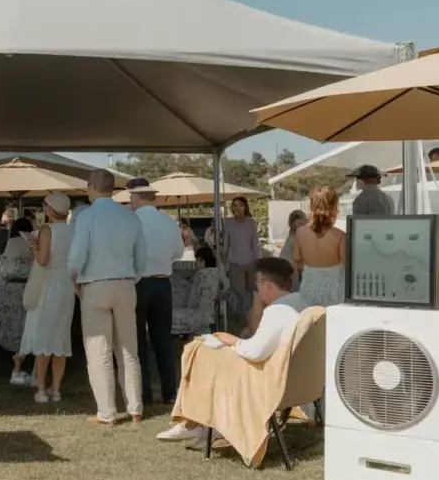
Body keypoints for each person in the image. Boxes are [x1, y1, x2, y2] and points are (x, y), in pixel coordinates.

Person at [157, 257, 309, 444]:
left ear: (266, 284)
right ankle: (194, 423)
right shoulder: (301, 303)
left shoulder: (278, 311)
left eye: (257, 286)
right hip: (296, 380)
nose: (257, 290)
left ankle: (191, 423)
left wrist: (233, 341)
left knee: (201, 352)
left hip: (271, 381)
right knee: (204, 352)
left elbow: (255, 352)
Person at [68, 169, 147, 425]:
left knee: (98, 350)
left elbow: (78, 254)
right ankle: (135, 407)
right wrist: (131, 278)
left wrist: (73, 275)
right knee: (128, 350)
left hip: (96, 284)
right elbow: (142, 259)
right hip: (125, 284)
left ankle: (107, 412)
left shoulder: (87, 217)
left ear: (91, 187)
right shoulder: (130, 216)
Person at [127, 177, 184, 405]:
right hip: (163, 283)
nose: (130, 200)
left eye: (131, 196)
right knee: (163, 339)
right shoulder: (169, 222)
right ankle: (170, 391)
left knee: (138, 339)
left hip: (138, 283)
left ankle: (143, 393)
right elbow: (179, 251)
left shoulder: (131, 221)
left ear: (138, 197)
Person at [19, 192, 76, 403]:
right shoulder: (73, 230)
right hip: (66, 284)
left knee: (44, 336)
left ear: (49, 210)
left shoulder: (47, 229)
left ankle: (41, 389)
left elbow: (43, 260)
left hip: (49, 285)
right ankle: (56, 389)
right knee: (61, 336)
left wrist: (34, 247)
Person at [0, 217, 37, 385]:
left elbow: (5, 267)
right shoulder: (33, 242)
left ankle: (17, 362)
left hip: (12, 288)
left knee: (13, 324)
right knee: (26, 324)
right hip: (29, 287)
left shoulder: (12, 243)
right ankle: (25, 359)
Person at [293, 186, 346, 307]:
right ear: (334, 207)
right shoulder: (340, 235)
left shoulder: (300, 232)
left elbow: (296, 257)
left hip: (309, 286)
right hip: (333, 289)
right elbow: (345, 264)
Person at [223, 197, 261, 310]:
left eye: (240, 205)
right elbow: (226, 242)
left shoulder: (251, 222)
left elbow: (255, 242)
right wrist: (224, 261)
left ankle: (251, 316)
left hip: (251, 262)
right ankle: (240, 318)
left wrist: (258, 258)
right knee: (238, 293)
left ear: (245, 206)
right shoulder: (228, 222)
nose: (237, 208)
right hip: (235, 263)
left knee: (252, 292)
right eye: (234, 205)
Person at [280, 209, 308, 292]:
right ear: (293, 223)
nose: (303, 226)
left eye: (304, 224)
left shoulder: (296, 233)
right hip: (291, 265)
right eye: (300, 224)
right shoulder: (294, 236)